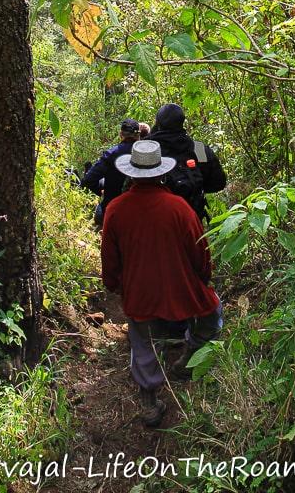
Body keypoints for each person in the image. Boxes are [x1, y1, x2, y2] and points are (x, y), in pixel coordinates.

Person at [101, 140, 223, 428]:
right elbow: (200, 253)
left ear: (132, 174)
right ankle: (186, 361)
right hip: (181, 288)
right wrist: (203, 279)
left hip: (140, 292)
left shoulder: (116, 209)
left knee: (143, 341)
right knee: (212, 317)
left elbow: (110, 257)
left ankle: (148, 399)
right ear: (161, 173)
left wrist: (116, 285)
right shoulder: (179, 208)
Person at [150, 103, 227, 219]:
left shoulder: (147, 149)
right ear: (181, 123)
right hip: (192, 217)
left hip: (157, 220)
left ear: (158, 124)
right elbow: (218, 182)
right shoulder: (198, 148)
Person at [81, 119, 140, 225]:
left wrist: (101, 191)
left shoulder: (112, 154)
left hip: (113, 209)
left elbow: (88, 180)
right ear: (138, 136)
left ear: (121, 134)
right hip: (141, 210)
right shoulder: (147, 154)